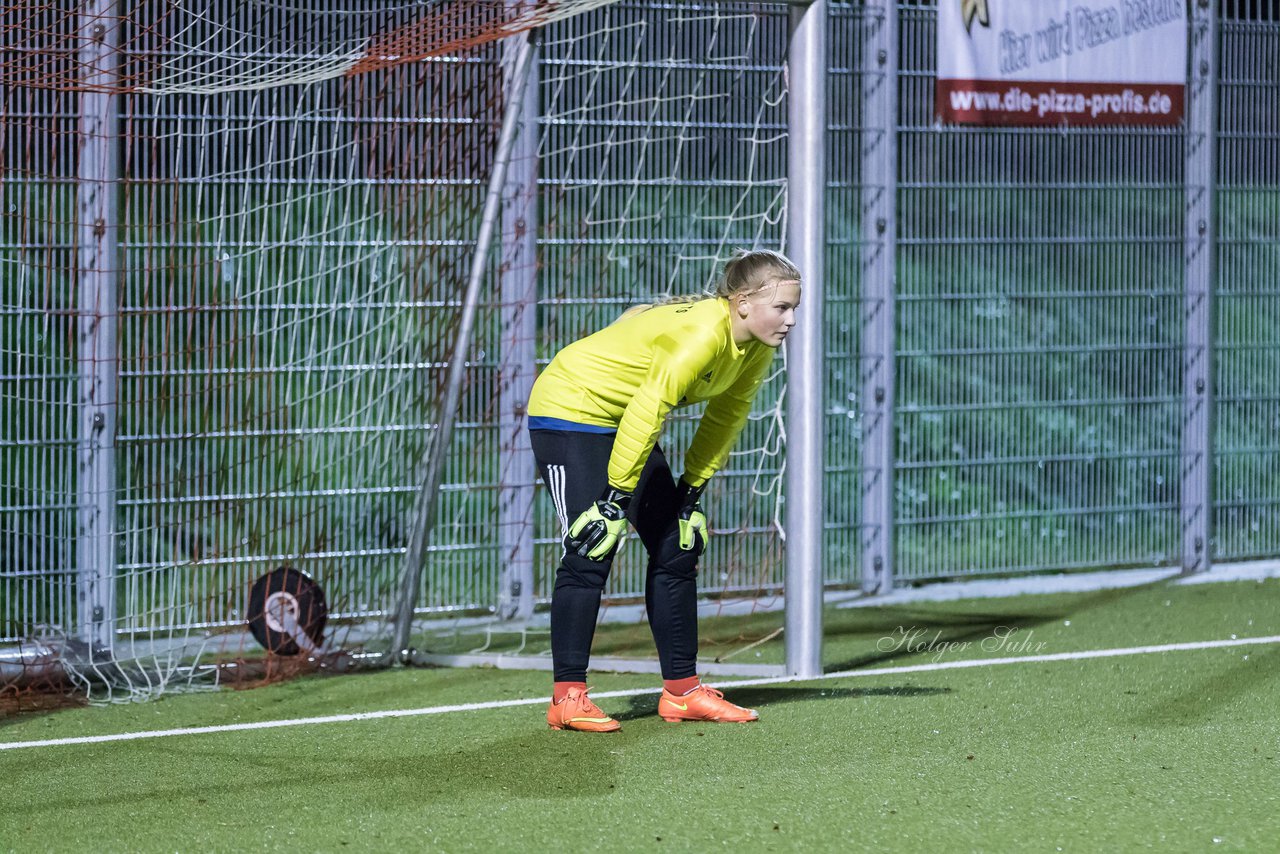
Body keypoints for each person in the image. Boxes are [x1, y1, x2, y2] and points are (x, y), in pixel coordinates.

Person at [527, 248, 802, 732]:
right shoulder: (702, 334)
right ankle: (567, 698)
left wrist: (692, 492)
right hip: (570, 408)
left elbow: (726, 416)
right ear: (742, 302)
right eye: (781, 307)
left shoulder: (757, 345)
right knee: (594, 541)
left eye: (794, 307)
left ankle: (682, 692)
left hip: (624, 417)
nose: (791, 319)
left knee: (677, 542)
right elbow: (649, 408)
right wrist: (614, 498)